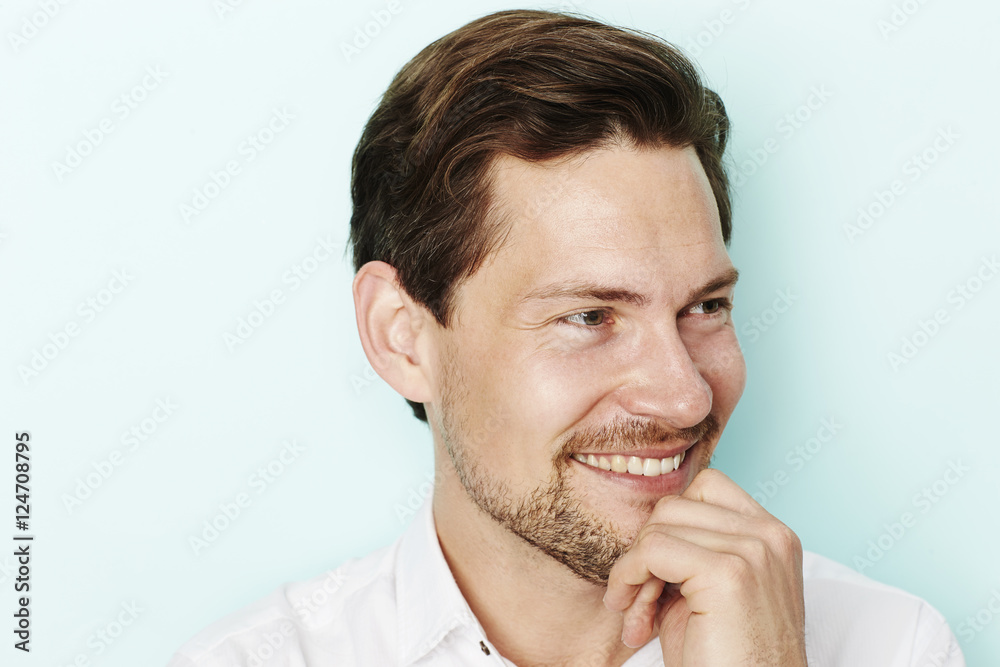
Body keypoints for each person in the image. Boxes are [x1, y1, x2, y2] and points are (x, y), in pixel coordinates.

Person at [168, 9, 965, 666]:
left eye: (706, 306)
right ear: (402, 337)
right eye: (590, 317)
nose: (685, 396)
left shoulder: (889, 645)